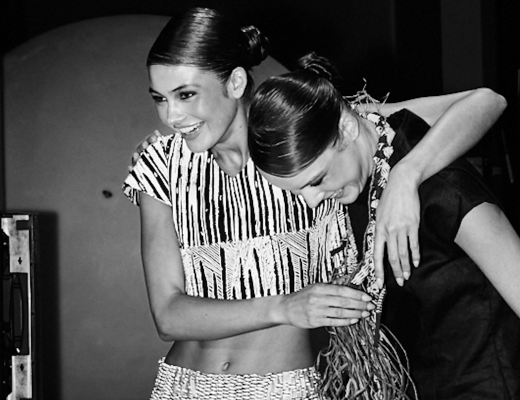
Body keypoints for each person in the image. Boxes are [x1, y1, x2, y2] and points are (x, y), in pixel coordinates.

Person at [123, 7, 508, 400]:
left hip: (292, 388)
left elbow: (484, 101)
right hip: (185, 386)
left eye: (186, 94)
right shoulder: (160, 163)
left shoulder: (306, 133)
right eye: (160, 99)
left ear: (236, 81)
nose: (172, 116)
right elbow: (168, 316)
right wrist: (284, 308)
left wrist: (406, 174)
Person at [247, 52, 520, 400]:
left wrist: (406, 174)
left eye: (316, 180)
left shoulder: (442, 189)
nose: (312, 201)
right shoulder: (357, 166)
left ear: (346, 130)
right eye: (297, 190)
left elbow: (489, 100)